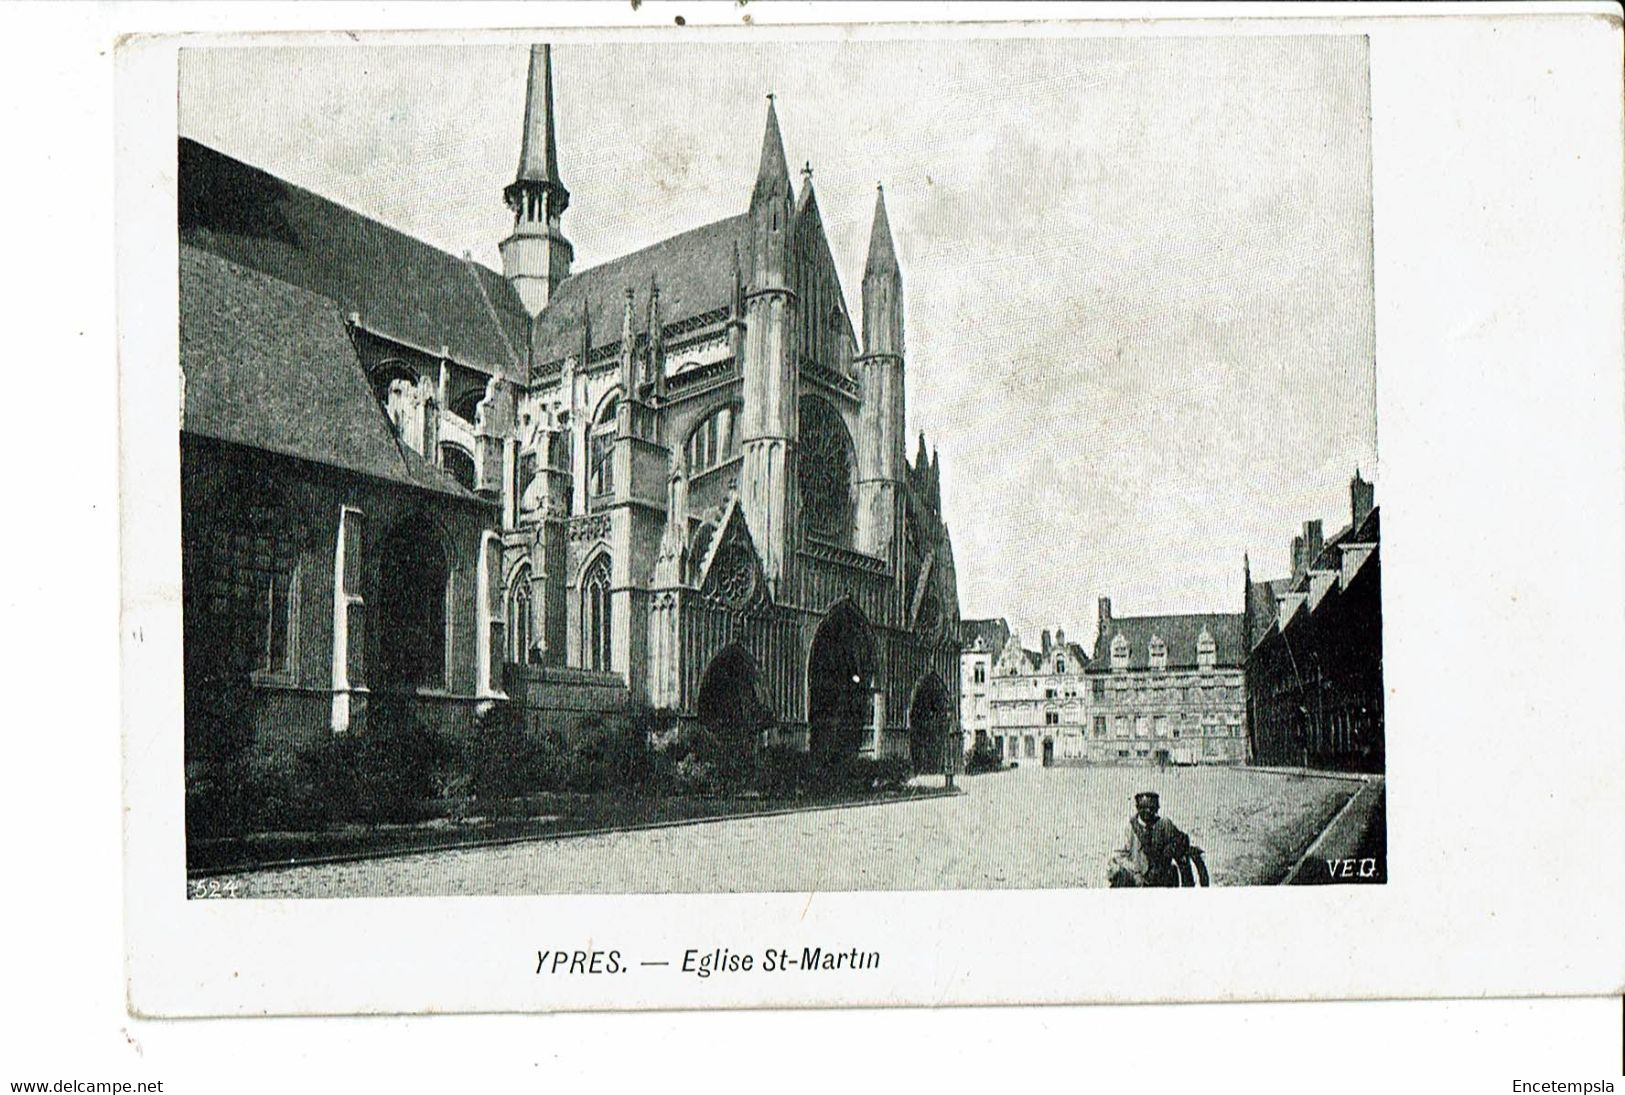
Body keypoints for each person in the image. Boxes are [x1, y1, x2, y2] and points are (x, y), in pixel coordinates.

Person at [1107, 791, 1191, 887]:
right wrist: (1135, 873)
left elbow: (1181, 842)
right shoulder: (1130, 828)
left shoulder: (1163, 825)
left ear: (1157, 808)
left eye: (1151, 808)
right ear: (1138, 808)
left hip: (1158, 876)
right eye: (1144, 808)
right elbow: (1119, 857)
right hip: (1136, 877)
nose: (1148, 811)